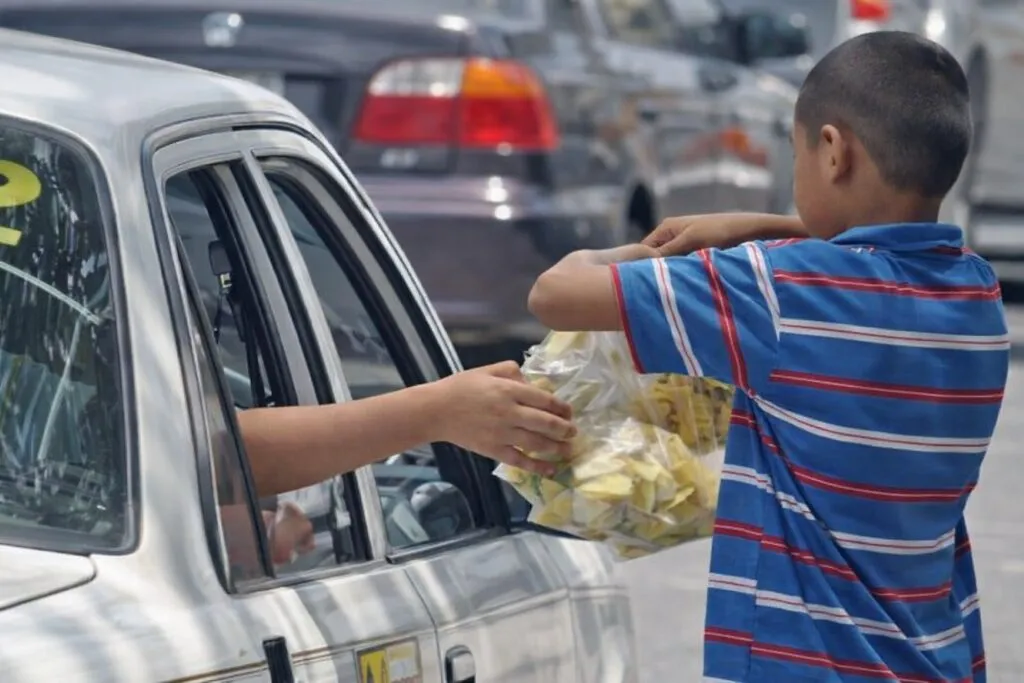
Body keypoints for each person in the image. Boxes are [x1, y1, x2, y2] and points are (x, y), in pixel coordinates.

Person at [527, 31, 1004, 683]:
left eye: (795, 151)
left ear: (833, 151)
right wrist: (760, 225)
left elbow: (555, 294)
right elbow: (879, 250)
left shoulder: (779, 290)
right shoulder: (977, 295)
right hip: (934, 660)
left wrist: (652, 255)